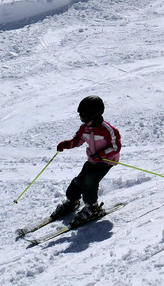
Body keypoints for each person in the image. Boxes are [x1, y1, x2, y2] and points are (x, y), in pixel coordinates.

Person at [51, 95, 122, 224]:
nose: (82, 118)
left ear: (94, 114)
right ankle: (72, 201)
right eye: (80, 115)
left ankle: (92, 206)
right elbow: (77, 140)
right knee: (79, 180)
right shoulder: (85, 128)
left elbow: (116, 147)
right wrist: (67, 144)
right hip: (93, 160)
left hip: (107, 161)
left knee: (90, 180)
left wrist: (101, 155)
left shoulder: (108, 130)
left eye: (84, 115)